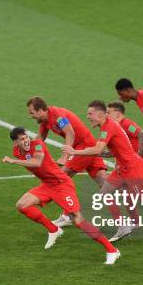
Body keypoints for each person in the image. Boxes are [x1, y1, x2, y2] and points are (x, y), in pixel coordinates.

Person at [62, 101, 143, 247]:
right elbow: (114, 149)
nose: (88, 117)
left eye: (90, 114)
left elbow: (98, 149)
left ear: (100, 114)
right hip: (122, 169)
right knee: (105, 193)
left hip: (133, 168)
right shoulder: (108, 126)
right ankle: (123, 226)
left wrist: (76, 152)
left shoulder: (108, 127)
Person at [2, 127, 120, 264]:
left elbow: (37, 162)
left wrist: (13, 161)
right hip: (47, 185)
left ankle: (112, 250)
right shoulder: (16, 152)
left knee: (77, 219)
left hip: (62, 184)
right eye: (22, 139)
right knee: (22, 205)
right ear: (15, 143)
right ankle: (54, 230)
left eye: (26, 137)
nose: (26, 140)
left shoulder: (38, 144)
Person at [26, 96, 108, 227]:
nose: (31, 116)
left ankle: (68, 215)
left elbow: (70, 133)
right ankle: (140, 204)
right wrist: (28, 152)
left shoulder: (58, 116)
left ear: (41, 110)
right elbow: (40, 139)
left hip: (84, 146)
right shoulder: (45, 121)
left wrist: (65, 157)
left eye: (32, 112)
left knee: (61, 178)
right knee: (104, 181)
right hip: (86, 146)